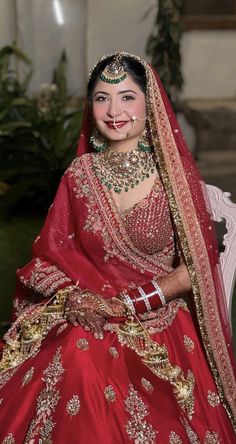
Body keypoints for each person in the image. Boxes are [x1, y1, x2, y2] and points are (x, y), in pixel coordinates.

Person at [0, 52, 235, 444]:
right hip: (86, 311)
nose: (113, 111)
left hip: (156, 320)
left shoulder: (174, 179)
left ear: (150, 103)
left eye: (127, 97)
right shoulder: (79, 175)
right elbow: (47, 257)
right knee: (75, 349)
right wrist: (76, 298)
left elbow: (193, 268)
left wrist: (125, 305)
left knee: (82, 353)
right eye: (101, 98)